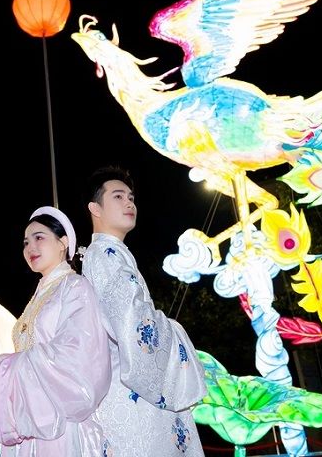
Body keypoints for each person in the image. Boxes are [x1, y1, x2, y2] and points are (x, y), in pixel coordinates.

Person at [0, 206, 112, 455]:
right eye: (26, 242)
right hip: (29, 418)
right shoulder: (39, 296)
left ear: (63, 242)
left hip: (59, 420)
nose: (30, 248)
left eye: (39, 238)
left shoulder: (74, 286)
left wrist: (12, 366)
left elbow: (81, 350)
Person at [82, 166, 207, 456]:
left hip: (128, 383)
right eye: (118, 196)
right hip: (131, 389)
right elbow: (133, 321)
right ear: (95, 208)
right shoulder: (105, 254)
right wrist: (174, 331)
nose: (129, 203)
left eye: (131, 197)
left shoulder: (113, 253)